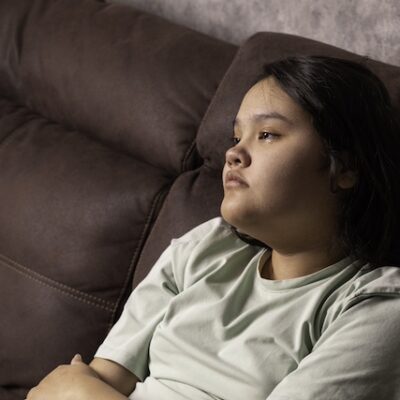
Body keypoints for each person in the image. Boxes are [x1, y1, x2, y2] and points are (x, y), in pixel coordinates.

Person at [26, 55, 400, 400]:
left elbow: (75, 388)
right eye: (236, 137)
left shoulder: (375, 307)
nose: (233, 153)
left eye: (267, 134)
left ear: (346, 168)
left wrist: (77, 390)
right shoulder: (204, 248)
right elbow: (105, 375)